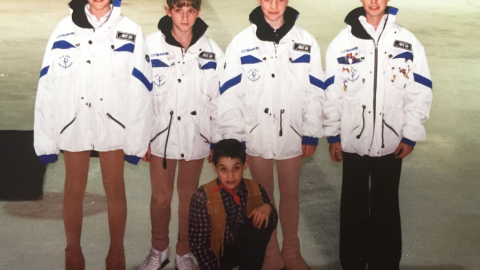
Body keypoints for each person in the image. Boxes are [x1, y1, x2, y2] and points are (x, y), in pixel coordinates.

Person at [33, 0, 153, 269]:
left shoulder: (130, 30)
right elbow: (47, 83)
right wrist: (46, 139)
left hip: (113, 122)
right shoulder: (64, 29)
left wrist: (138, 137)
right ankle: (72, 251)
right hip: (74, 121)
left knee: (115, 188)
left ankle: (116, 252)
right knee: (73, 189)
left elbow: (143, 85)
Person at [323, 0, 433, 269]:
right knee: (353, 206)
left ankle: (385, 263)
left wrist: (410, 135)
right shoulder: (343, 41)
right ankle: (353, 262)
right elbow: (331, 91)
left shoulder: (406, 42)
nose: (373, 2)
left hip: (391, 142)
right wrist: (333, 133)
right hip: (353, 141)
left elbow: (420, 90)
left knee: (386, 206)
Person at [218, 1, 325, 269]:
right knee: (261, 197)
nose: (274, 5)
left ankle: (291, 251)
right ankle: (270, 255)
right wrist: (235, 139)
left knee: (290, 194)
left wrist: (311, 132)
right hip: (256, 136)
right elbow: (230, 94)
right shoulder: (241, 43)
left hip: (292, 133)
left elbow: (315, 90)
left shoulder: (306, 41)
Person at [139, 0, 223, 269]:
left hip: (196, 136)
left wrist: (217, 140)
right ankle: (159, 248)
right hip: (160, 137)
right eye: (178, 10)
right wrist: (140, 138)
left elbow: (218, 100)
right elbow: (140, 96)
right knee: (160, 197)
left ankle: (183, 251)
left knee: (189, 196)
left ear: (198, 12)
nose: (185, 17)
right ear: (168, 11)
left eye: (190, 11)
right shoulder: (150, 46)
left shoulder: (211, 50)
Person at [188, 139, 278, 270]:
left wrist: (268, 208)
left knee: (265, 217)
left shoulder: (255, 188)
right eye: (224, 169)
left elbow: (272, 221)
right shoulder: (203, 196)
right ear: (214, 167)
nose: (230, 176)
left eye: (236, 168)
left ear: (245, 165)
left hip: (246, 250)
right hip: (216, 255)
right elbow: (199, 245)